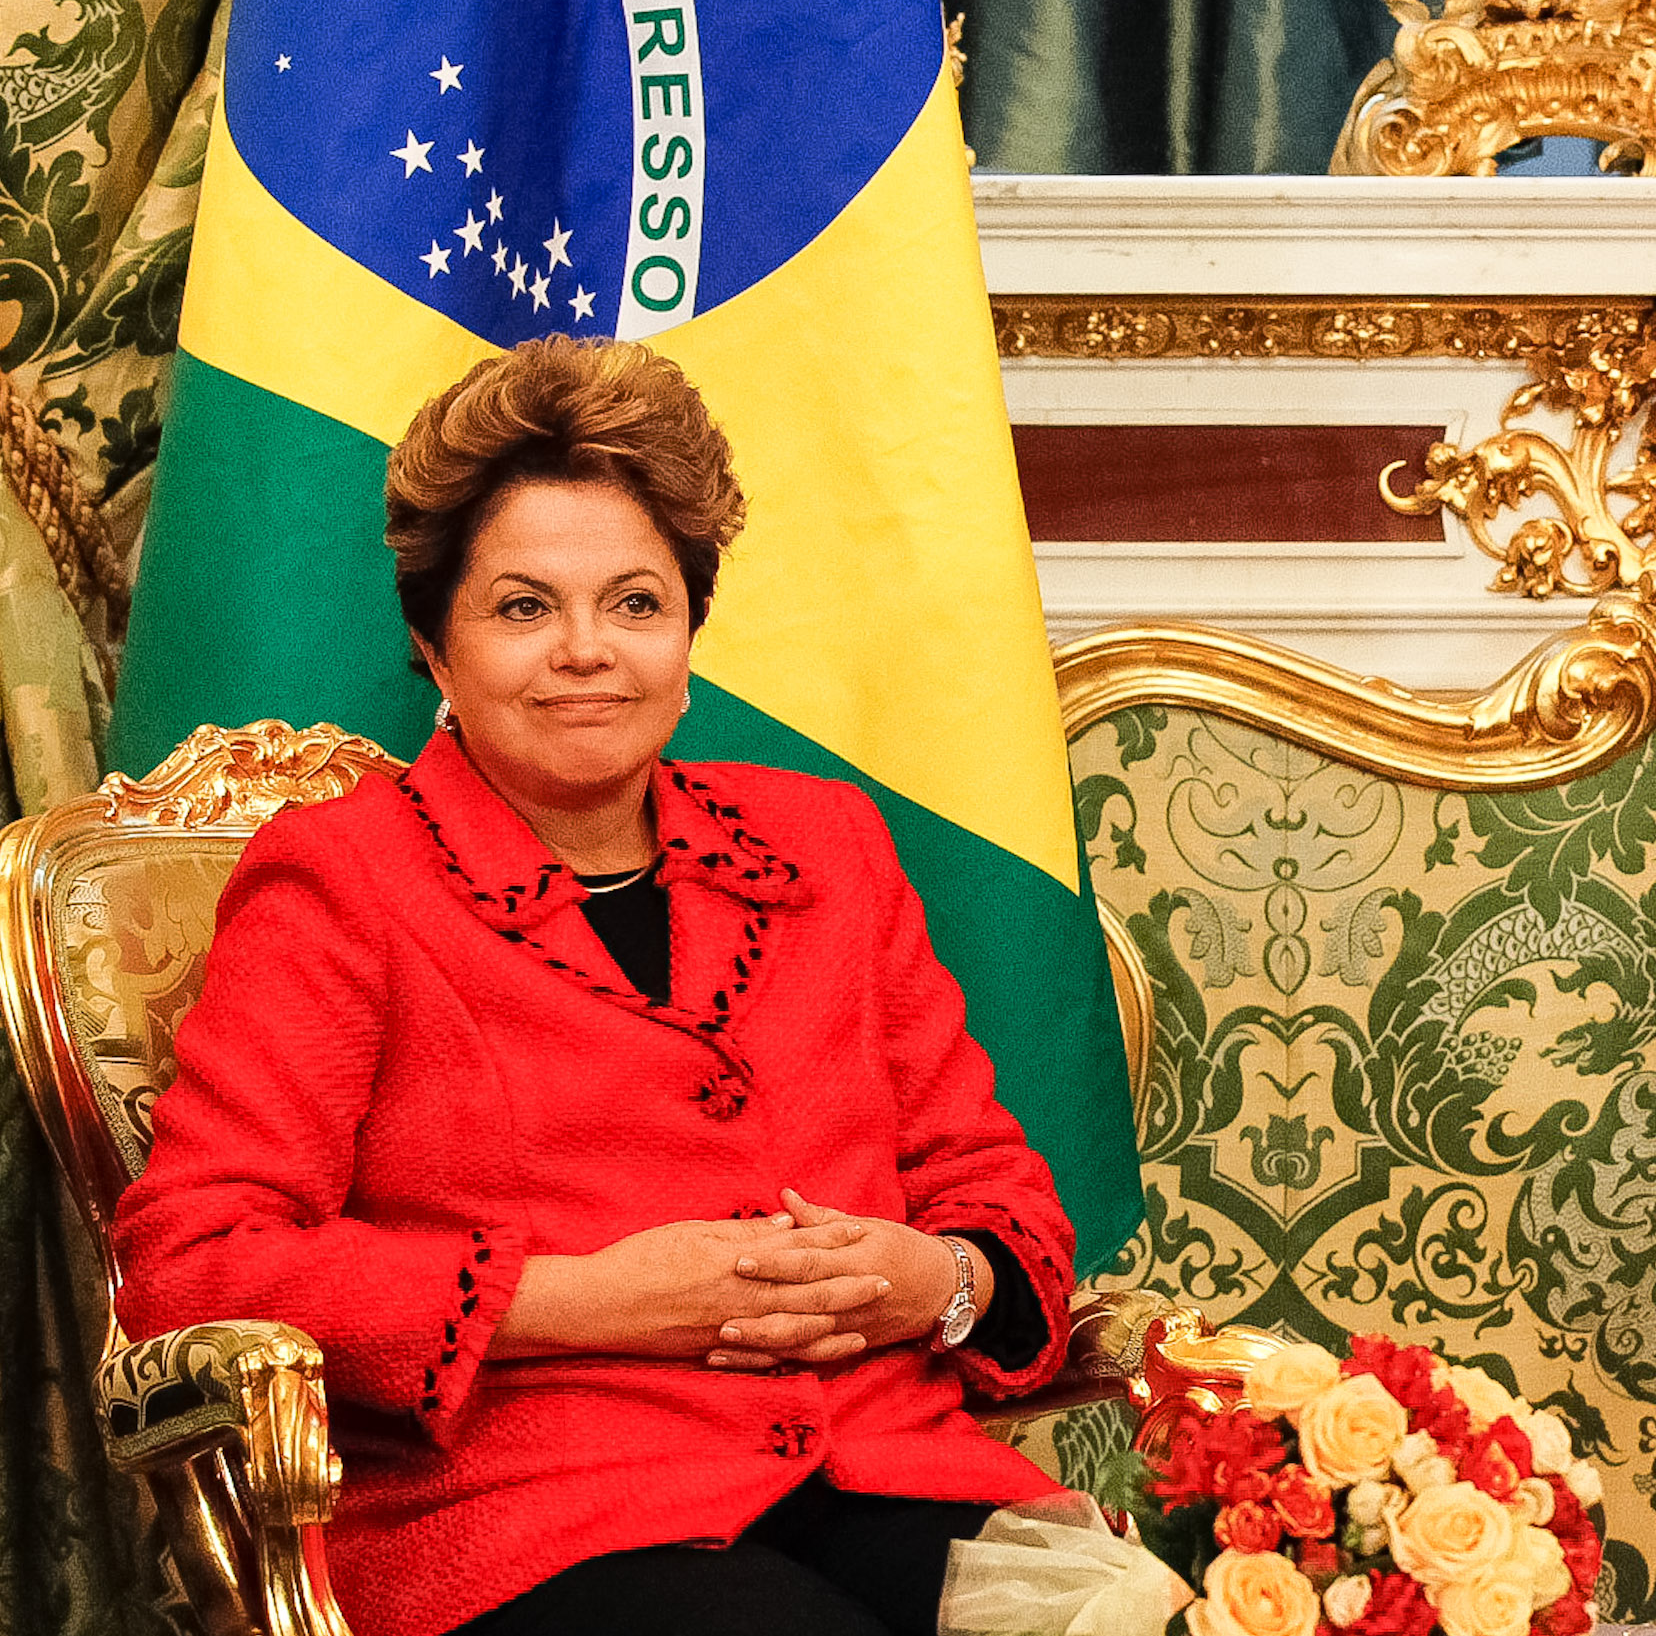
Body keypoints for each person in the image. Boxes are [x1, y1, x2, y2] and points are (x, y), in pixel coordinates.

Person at [116, 338, 1082, 1636]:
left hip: (883, 1470)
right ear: (435, 644)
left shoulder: (828, 847)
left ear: (688, 637)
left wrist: (937, 1280)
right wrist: (578, 1299)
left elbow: (997, 1195)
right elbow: (196, 1266)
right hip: (535, 1519)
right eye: (523, 606)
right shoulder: (343, 884)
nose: (586, 650)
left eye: (634, 603)